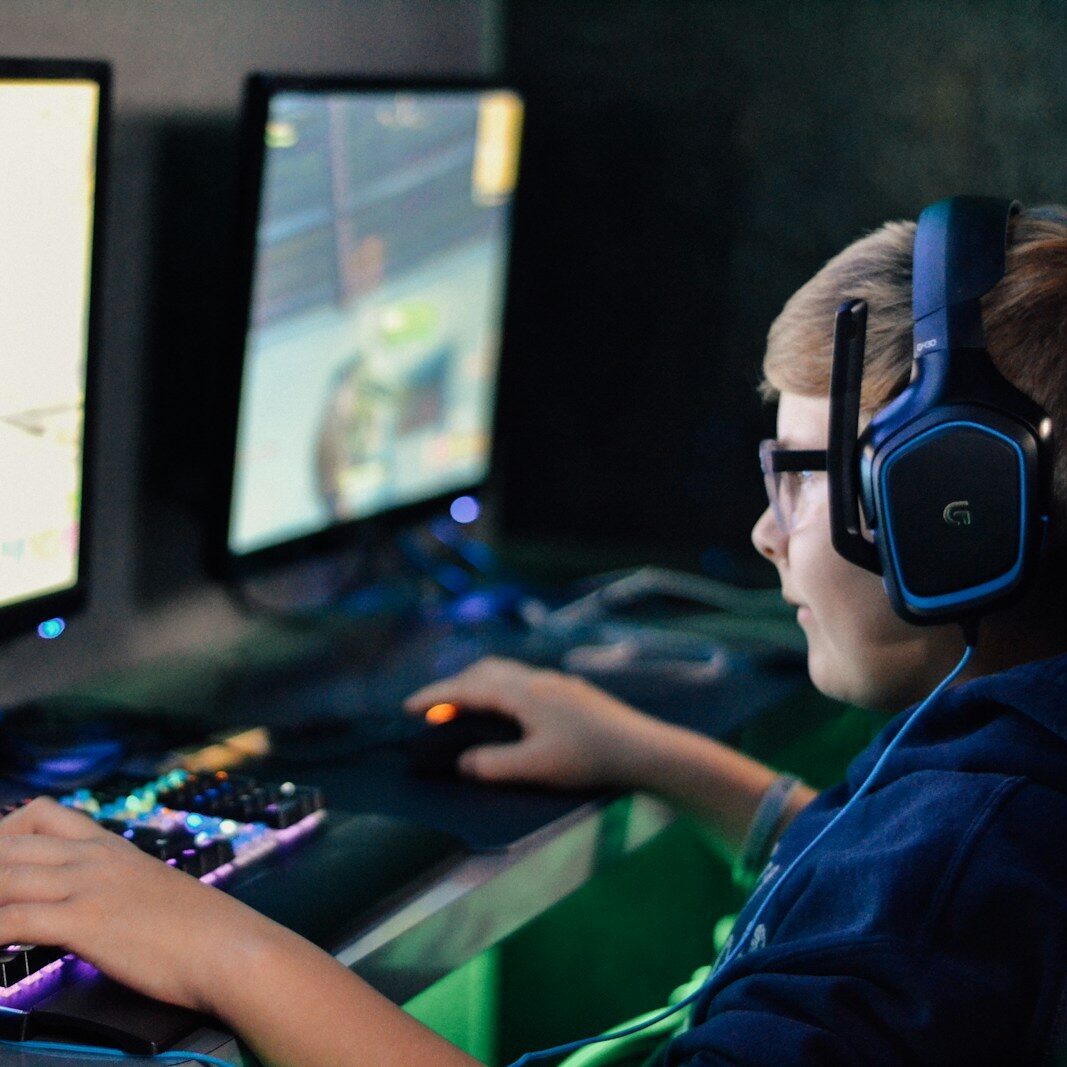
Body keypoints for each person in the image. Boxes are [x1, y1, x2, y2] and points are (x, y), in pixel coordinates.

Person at [2, 203, 1067, 1066]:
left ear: (951, 503)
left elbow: (913, 908)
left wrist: (218, 944)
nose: (762, 532)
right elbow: (871, 884)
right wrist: (644, 751)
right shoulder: (1003, 741)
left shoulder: (978, 835)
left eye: (798, 480)